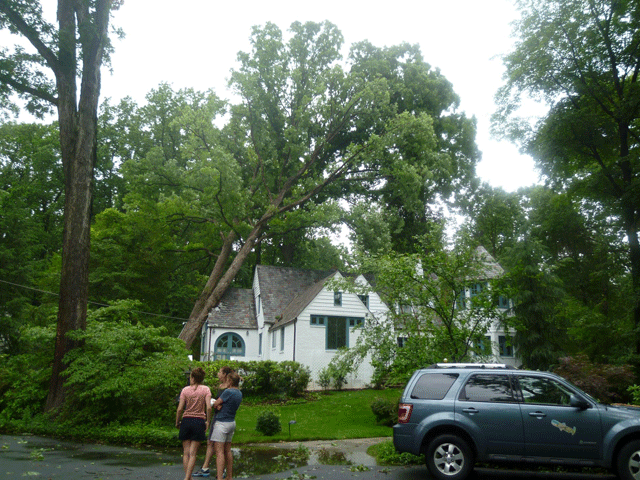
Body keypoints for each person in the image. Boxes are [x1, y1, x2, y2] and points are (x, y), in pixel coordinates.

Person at [193, 366, 234, 478]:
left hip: (222, 419)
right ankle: (206, 467)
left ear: (225, 374)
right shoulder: (221, 386)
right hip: (217, 416)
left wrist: (217, 404)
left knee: (220, 447)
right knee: (211, 442)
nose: (218, 374)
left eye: (220, 372)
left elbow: (227, 402)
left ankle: (217, 470)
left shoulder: (229, 388)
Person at [175, 367, 212, 480]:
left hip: (186, 420)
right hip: (199, 421)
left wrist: (177, 421)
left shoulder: (185, 390)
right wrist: (208, 422)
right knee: (193, 453)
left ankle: (188, 477)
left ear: (193, 378)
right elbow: (209, 407)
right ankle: (187, 478)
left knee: (185, 452)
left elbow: (180, 409)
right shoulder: (206, 389)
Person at [211, 371, 242, 480]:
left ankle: (219, 477)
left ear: (229, 381)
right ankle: (229, 476)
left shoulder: (228, 392)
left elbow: (216, 403)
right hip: (231, 422)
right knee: (228, 450)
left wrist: (215, 404)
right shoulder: (239, 393)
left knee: (219, 452)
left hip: (221, 423)